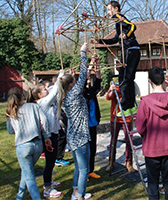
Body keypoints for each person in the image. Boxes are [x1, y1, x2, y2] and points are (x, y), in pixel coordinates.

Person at [136, 67, 168, 200]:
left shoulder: (145, 102)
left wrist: (148, 135)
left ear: (150, 81)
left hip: (151, 148)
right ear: (164, 80)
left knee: (153, 184)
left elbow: (140, 127)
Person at [57, 43, 96, 200]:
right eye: (73, 80)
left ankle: (75, 192)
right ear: (71, 84)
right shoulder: (73, 94)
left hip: (74, 137)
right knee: (84, 169)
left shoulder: (65, 95)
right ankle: (80, 196)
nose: (76, 81)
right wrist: (82, 53)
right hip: (79, 138)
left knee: (79, 168)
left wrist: (69, 75)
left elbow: (76, 80)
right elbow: (85, 73)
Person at [91, 0, 140, 117]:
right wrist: (100, 41)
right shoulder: (118, 24)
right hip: (129, 50)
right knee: (128, 79)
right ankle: (131, 106)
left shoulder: (119, 17)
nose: (108, 13)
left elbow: (133, 26)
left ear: (116, 9)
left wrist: (126, 34)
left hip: (130, 49)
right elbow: (115, 39)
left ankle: (125, 107)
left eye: (109, 10)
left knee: (124, 79)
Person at [6, 87, 52, 200]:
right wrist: (46, 136)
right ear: (22, 96)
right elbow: (44, 121)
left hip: (23, 146)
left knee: (29, 175)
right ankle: (19, 196)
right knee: (27, 171)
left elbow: (10, 131)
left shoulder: (10, 112)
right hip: (37, 144)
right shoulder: (34, 106)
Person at [27, 71, 65, 198]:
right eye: (44, 89)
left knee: (52, 160)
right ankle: (47, 187)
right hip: (47, 136)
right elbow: (54, 92)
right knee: (49, 161)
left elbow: (56, 93)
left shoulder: (45, 101)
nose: (46, 89)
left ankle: (48, 181)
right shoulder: (42, 102)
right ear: (39, 94)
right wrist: (60, 76)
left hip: (52, 133)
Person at [105, 83, 135, 173]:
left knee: (129, 140)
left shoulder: (129, 84)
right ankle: (111, 162)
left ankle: (129, 162)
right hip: (115, 117)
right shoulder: (115, 85)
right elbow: (108, 97)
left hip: (127, 117)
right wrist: (112, 90)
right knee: (113, 140)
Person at [83, 63, 102, 179]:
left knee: (93, 149)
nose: (89, 81)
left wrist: (97, 66)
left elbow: (98, 81)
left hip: (93, 124)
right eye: (88, 80)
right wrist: (90, 65)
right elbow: (83, 79)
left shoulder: (91, 91)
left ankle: (90, 170)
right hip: (84, 126)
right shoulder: (81, 93)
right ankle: (84, 173)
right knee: (85, 151)